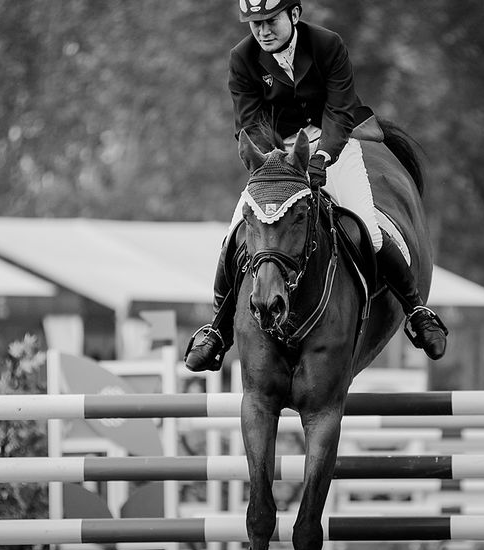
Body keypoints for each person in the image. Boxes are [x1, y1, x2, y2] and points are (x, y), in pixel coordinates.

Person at [184, 0, 448, 371]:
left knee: (369, 231)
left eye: (270, 20)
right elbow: (249, 123)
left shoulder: (327, 45)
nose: (263, 31)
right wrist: (275, 164)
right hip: (278, 154)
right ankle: (217, 329)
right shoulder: (241, 58)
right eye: (255, 23)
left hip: (334, 143)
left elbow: (340, 111)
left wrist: (322, 157)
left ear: (294, 14)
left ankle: (417, 311)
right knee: (235, 236)